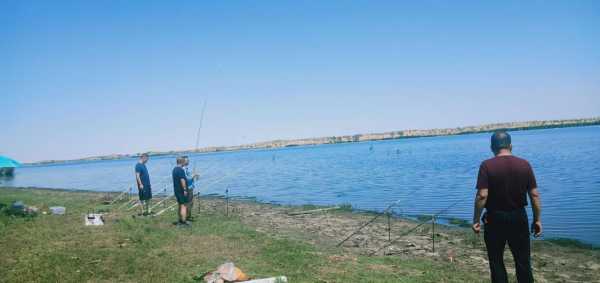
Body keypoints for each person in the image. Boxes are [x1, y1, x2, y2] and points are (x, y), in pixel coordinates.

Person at [472, 130, 542, 283]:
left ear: (492, 147)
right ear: (511, 145)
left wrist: (476, 219)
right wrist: (537, 219)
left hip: (494, 218)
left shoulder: (486, 166)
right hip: (519, 217)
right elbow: (534, 195)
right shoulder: (524, 164)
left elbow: (482, 195)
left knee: (496, 262)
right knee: (523, 261)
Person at [172, 156, 190, 226]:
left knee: (180, 205)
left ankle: (180, 219)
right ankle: (183, 222)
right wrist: (185, 189)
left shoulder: (174, 169)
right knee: (184, 206)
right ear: (181, 162)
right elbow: (182, 180)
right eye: (183, 161)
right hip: (181, 191)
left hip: (177, 190)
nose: (184, 163)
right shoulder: (180, 170)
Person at [182, 156, 199, 221]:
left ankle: (188, 215)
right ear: (183, 161)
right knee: (188, 203)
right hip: (188, 188)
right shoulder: (183, 169)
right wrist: (193, 175)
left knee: (191, 203)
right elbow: (187, 179)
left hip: (191, 187)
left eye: (188, 160)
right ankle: (186, 217)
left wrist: (195, 175)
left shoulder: (187, 168)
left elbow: (190, 177)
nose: (188, 161)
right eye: (187, 160)